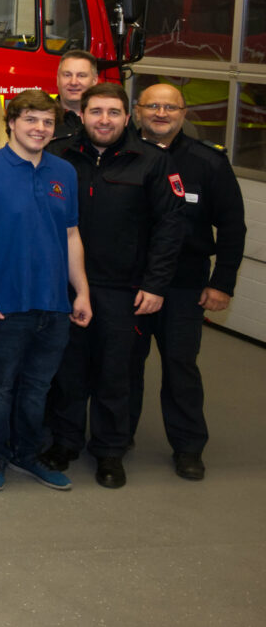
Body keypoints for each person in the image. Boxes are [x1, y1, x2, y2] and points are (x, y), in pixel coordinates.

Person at [43, 83, 185, 489]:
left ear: (127, 117)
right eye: (95, 112)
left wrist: (156, 285)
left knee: (115, 373)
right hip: (66, 286)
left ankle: (109, 451)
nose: (103, 120)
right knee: (67, 370)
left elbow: (170, 229)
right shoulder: (58, 156)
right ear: (82, 115)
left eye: (112, 112)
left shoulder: (154, 162)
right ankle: (65, 442)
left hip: (125, 289)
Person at [0, 89, 91, 493]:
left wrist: (80, 292)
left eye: (47, 122)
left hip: (53, 304)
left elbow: (71, 235)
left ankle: (26, 453)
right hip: (2, 301)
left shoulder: (63, 173)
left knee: (38, 387)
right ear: (11, 122)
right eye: (31, 119)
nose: (40, 128)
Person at [131, 83, 246, 481]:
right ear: (137, 110)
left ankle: (189, 447)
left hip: (184, 286)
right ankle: (117, 439)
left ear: (183, 114)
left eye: (170, 107)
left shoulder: (207, 163)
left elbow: (232, 227)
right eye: (152, 106)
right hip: (129, 284)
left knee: (181, 367)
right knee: (125, 366)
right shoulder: (120, 155)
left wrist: (222, 283)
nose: (161, 113)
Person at [51, 49, 98, 144]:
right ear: (57, 79)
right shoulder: (42, 117)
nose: (73, 82)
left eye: (81, 75)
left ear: (94, 80)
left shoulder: (108, 120)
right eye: (67, 75)